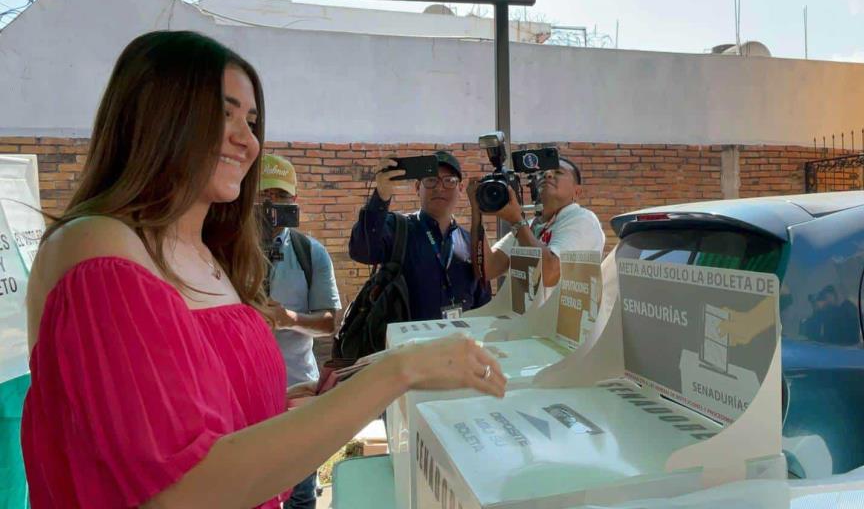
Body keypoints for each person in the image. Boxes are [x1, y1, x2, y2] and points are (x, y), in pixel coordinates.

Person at [21, 30, 505, 508]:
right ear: (156, 117)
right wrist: (401, 369)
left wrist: (283, 404)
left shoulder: (204, 252)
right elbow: (184, 489)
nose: (246, 140)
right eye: (222, 113)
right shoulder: (102, 247)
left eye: (250, 120)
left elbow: (202, 416)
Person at [258, 153, 341, 508]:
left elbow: (331, 322)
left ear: (295, 202)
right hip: (238, 397)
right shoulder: (221, 250)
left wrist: (288, 319)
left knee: (299, 495)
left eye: (279, 197)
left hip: (295, 390)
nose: (271, 207)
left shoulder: (311, 253)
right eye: (262, 198)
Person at [348, 152, 491, 321]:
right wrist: (380, 197)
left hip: (457, 343)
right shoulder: (397, 228)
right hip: (407, 344)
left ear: (460, 188)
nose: (439, 187)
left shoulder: (471, 242)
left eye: (449, 181)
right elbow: (362, 251)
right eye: (431, 180)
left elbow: (483, 302)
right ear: (417, 188)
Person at [470, 157, 606, 289]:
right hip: (531, 312)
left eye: (558, 172)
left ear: (577, 192)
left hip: (562, 312)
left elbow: (548, 275)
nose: (547, 175)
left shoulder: (583, 219)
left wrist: (516, 222)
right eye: (542, 173)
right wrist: (477, 211)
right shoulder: (528, 226)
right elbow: (487, 269)